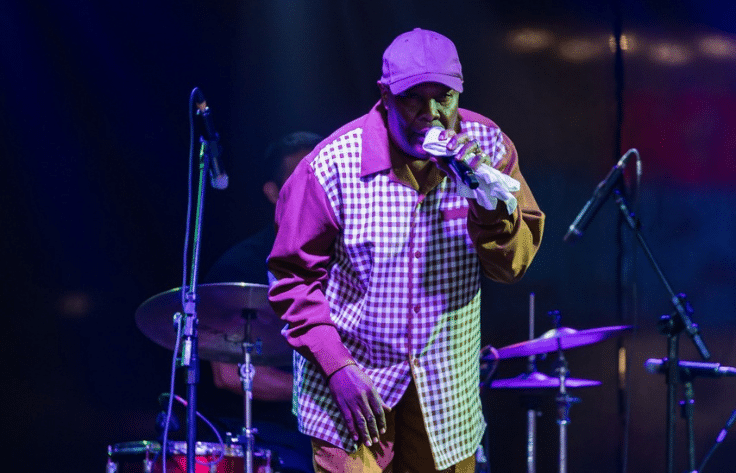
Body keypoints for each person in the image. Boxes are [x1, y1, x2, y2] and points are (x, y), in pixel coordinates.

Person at [267, 28, 545, 473]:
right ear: (385, 96)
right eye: (413, 98)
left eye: (444, 99)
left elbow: (511, 267)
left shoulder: (489, 149)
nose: (431, 115)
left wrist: (486, 200)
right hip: (351, 389)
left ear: (459, 93)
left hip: (445, 396)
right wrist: (337, 367)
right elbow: (292, 279)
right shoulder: (332, 164)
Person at [203, 131, 324, 473]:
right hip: (272, 440)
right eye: (300, 180)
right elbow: (229, 375)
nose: (316, 190)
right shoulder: (241, 267)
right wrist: (330, 391)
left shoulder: (357, 255)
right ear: (273, 193)